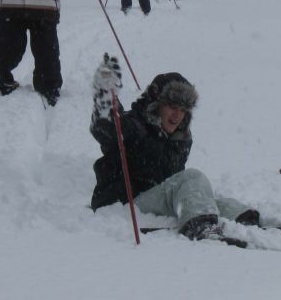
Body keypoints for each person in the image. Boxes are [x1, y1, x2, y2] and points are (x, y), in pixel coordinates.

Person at [89, 54, 260, 240]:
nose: (177, 115)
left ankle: (243, 220)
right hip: (124, 204)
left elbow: (173, 182)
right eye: (172, 106)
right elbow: (105, 128)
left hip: (156, 198)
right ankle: (199, 225)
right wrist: (105, 98)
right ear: (156, 105)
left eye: (183, 109)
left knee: (203, 195)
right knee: (192, 178)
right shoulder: (135, 125)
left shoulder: (181, 138)